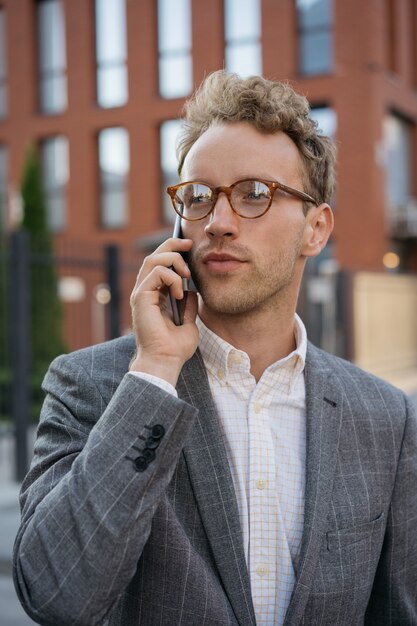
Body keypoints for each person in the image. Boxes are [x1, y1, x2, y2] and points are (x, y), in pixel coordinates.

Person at [13, 71, 417, 626]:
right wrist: (154, 371)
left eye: (255, 194)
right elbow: (56, 595)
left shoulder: (386, 417)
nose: (219, 223)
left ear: (315, 229)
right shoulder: (96, 386)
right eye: (199, 197)